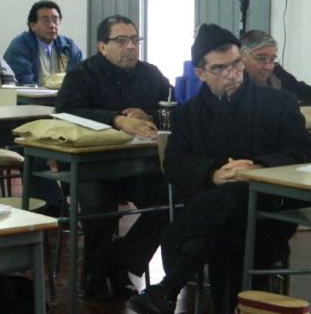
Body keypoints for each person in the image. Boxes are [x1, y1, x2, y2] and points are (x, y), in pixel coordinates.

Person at [127, 24, 311, 314]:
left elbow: (301, 152)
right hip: (214, 214)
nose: (232, 73)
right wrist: (212, 173)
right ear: (200, 73)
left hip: (269, 210)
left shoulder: (279, 103)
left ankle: (168, 288)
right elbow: (175, 164)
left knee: (236, 194)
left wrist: (257, 167)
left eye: (236, 63)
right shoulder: (187, 114)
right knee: (228, 223)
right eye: (220, 68)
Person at [55, 15, 171, 300]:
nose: (130, 46)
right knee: (98, 207)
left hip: (135, 168)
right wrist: (116, 119)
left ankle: (122, 262)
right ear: (102, 47)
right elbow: (66, 114)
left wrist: (150, 115)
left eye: (134, 40)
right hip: (90, 169)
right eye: (121, 40)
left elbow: (173, 107)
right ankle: (94, 280)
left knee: (170, 200)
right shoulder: (81, 75)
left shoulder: (150, 74)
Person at [3, 0, 84, 85]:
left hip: (64, 97)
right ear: (32, 25)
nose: (52, 25)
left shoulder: (68, 46)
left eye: (55, 20)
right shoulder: (20, 46)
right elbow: (25, 82)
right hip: (32, 97)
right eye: (45, 20)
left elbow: (83, 75)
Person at [240, 29, 311, 105]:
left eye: (272, 59)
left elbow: (301, 91)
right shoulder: (231, 80)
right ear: (242, 57)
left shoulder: (277, 73)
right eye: (261, 59)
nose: (269, 67)